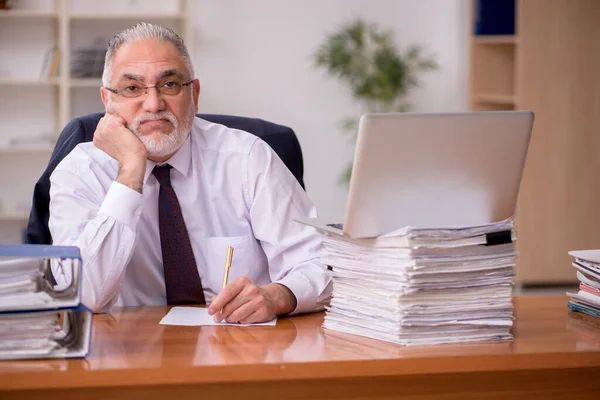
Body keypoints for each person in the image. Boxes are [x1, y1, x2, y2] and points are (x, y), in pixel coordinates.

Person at [49, 22, 331, 323]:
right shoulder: (80, 172)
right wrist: (131, 171)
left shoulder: (248, 158)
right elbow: (83, 296)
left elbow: (323, 265)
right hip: (130, 352)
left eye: (169, 84)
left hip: (244, 348)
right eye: (132, 88)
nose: (154, 104)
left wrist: (278, 295)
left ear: (194, 94)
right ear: (108, 101)